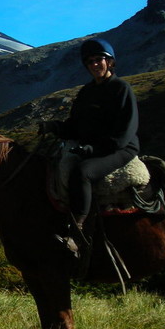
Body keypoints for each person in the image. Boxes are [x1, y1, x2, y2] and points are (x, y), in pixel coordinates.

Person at [40, 37, 140, 254]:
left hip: (120, 149)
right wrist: (53, 127)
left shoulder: (121, 89)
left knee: (83, 172)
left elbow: (123, 134)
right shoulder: (86, 92)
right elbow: (74, 126)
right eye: (90, 61)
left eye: (99, 60)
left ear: (110, 62)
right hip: (90, 147)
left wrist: (92, 151)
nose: (95, 65)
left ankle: (77, 233)